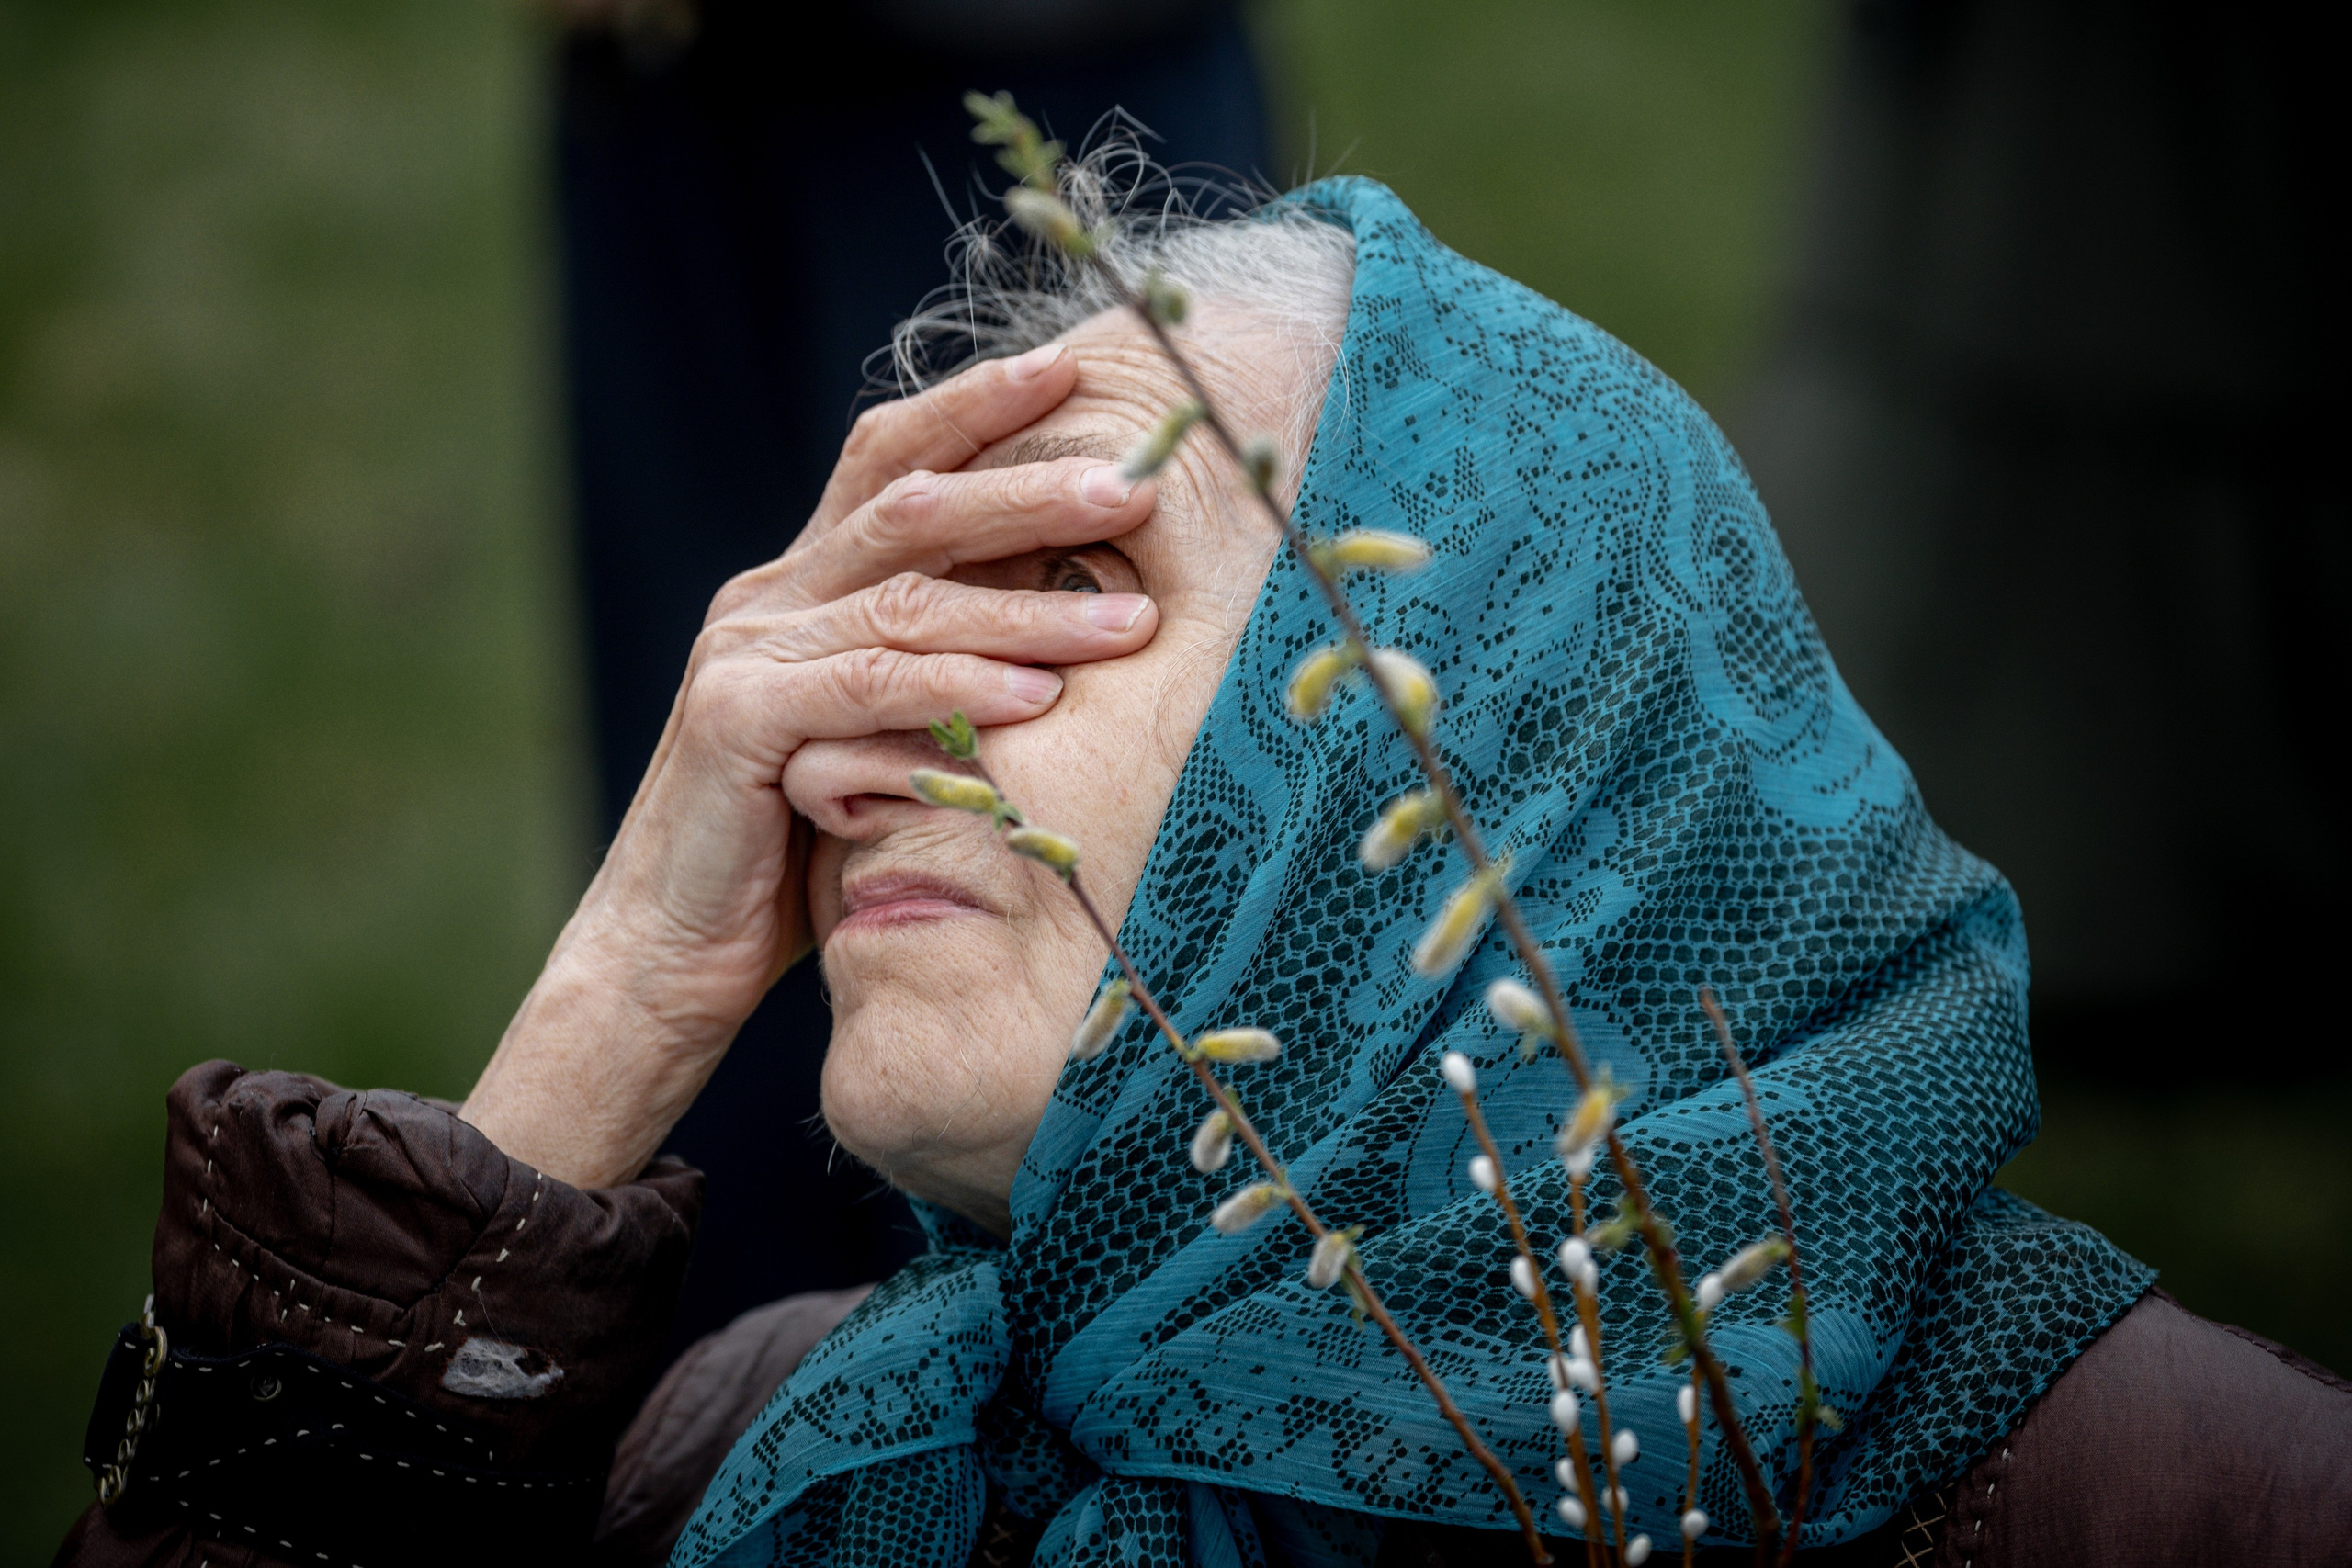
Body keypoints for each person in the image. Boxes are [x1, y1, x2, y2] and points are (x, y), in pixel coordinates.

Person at [58, 168, 2352, 1568]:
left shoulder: (2157, 1511)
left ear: (1466, 706)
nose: (863, 716)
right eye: (872, 597)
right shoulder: (757, 1457)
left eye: (1046, 581)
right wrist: (607, 1018)